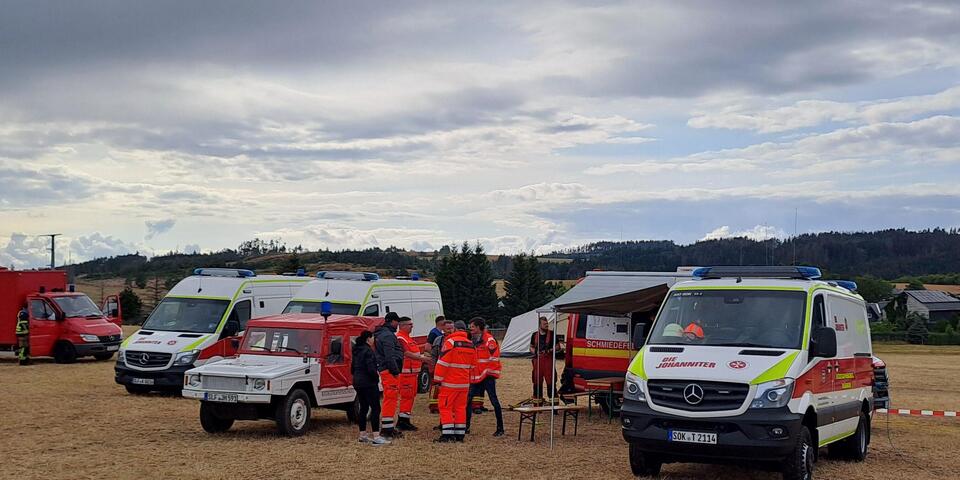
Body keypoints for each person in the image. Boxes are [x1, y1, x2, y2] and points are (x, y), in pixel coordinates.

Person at [433, 320, 477, 443]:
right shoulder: (471, 344)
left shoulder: (450, 342)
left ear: (455, 330)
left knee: (445, 407)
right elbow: (473, 366)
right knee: (460, 408)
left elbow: (442, 363)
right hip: (464, 384)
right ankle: (459, 434)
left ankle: (447, 435)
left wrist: (437, 379)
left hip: (450, 383)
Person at [465, 317, 504, 436]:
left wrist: (485, 372)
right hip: (476, 376)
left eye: (472, 326)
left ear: (478, 327)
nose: (470, 329)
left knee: (494, 401)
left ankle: (500, 429)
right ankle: (466, 427)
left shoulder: (489, 340)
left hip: (487, 376)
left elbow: (494, 359)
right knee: (468, 401)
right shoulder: (472, 339)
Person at [352, 330, 390, 445]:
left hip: (358, 382)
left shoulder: (356, 350)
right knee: (375, 408)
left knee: (363, 408)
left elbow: (352, 368)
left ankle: (362, 435)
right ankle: (376, 436)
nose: (374, 340)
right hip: (368, 382)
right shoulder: (368, 351)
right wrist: (375, 378)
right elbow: (371, 368)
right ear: (368, 338)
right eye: (373, 337)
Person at [397, 316, 430, 431]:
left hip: (412, 374)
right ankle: (402, 422)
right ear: (402, 325)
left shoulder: (407, 338)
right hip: (406, 374)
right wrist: (423, 359)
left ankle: (405, 419)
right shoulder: (401, 338)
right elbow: (407, 353)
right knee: (407, 397)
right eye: (410, 324)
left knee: (410, 397)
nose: (412, 326)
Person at [374, 312, 404, 439]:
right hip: (389, 371)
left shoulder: (381, 334)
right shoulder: (388, 336)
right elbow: (389, 356)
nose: (398, 325)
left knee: (389, 398)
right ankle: (387, 429)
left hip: (385, 369)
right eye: (397, 322)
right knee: (390, 398)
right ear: (392, 321)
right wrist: (395, 371)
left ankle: (388, 426)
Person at [429, 319, 454, 415]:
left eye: (451, 328)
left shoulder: (456, 340)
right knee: (437, 388)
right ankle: (434, 407)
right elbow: (434, 354)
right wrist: (433, 368)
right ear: (443, 328)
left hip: (452, 369)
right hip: (440, 367)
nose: (450, 330)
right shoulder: (438, 340)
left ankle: (449, 405)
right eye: (447, 328)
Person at [530, 316, 557, 400]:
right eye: (544, 324)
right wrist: (535, 352)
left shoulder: (552, 334)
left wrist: (549, 350)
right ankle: (537, 405)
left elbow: (558, 346)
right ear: (539, 325)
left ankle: (554, 406)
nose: (546, 325)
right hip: (538, 362)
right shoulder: (534, 335)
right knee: (537, 383)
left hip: (548, 361)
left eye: (547, 324)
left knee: (551, 383)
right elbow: (531, 347)